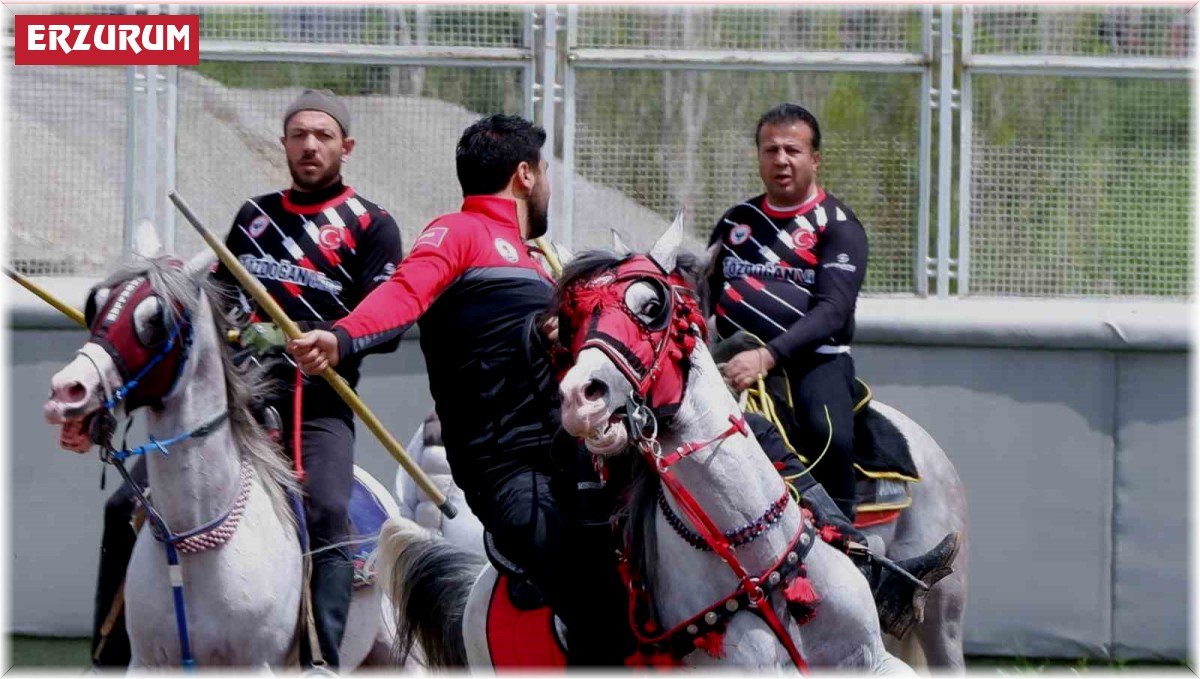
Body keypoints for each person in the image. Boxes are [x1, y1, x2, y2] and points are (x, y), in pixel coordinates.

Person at [286, 114, 632, 666]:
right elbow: (404, 292)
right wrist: (342, 336)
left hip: (578, 455)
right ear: (524, 174)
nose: (547, 184)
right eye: (544, 171)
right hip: (512, 473)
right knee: (595, 603)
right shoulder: (461, 231)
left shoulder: (542, 259)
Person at [88, 89, 405, 670]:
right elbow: (217, 305)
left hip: (318, 404)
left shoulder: (372, 225)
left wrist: (326, 337)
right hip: (232, 405)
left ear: (346, 146)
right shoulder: (253, 217)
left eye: (323, 136)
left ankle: (320, 658)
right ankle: (108, 656)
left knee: (328, 512)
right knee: (120, 504)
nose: (310, 145)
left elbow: (387, 322)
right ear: (283, 143)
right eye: (299, 135)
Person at [706, 104, 959, 637]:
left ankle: (853, 562)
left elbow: (833, 310)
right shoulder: (735, 223)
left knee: (828, 435)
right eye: (771, 149)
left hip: (813, 361)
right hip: (728, 359)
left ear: (814, 159)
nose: (781, 160)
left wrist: (768, 356)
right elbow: (704, 293)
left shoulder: (838, 226)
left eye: (793, 150)